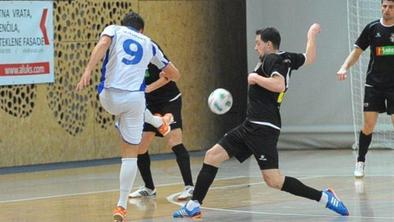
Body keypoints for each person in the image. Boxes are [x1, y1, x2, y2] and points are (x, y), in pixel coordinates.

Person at [173, 24, 350, 219]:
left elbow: (279, 84)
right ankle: (193, 205)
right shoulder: (286, 57)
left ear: (268, 44)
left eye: (258, 43)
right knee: (213, 155)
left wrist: (255, 77)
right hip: (252, 125)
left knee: (273, 180)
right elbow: (310, 57)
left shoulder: (271, 59)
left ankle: (325, 197)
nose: (255, 47)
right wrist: (311, 35)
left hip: (263, 128)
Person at [75, 12, 180, 222]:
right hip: (134, 100)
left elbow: (103, 43)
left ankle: (158, 121)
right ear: (141, 30)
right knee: (130, 154)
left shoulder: (114, 29)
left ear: (124, 25)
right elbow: (175, 74)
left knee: (126, 114)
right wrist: (163, 78)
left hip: (108, 96)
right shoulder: (149, 43)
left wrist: (88, 69)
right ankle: (121, 205)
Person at [129, 44, 194, 201]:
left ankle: (190, 187)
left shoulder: (151, 52)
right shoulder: (129, 59)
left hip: (169, 100)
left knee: (174, 141)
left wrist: (149, 88)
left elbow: (169, 75)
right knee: (140, 147)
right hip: (150, 105)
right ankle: (149, 188)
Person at [337, 0, 394, 178]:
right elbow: (357, 51)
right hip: (374, 84)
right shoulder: (372, 28)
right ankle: (360, 161)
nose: (387, 10)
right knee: (368, 125)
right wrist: (344, 67)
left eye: (391, 7)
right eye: (384, 6)